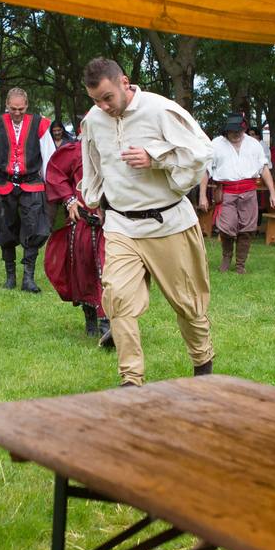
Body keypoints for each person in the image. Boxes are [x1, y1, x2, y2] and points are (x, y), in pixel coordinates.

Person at [78, 58, 215, 387]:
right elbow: (93, 162)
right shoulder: (94, 120)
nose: (103, 106)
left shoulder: (159, 110)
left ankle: (203, 364)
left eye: (108, 97)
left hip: (168, 222)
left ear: (124, 83)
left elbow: (201, 152)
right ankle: (130, 382)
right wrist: (93, 200)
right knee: (118, 300)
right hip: (121, 225)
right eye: (95, 100)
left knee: (189, 305)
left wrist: (156, 159)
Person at [0, 88, 56, 292]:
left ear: (27, 106)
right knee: (5, 227)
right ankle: (10, 276)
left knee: (34, 227)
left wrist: (52, 186)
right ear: (7, 106)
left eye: (21, 109)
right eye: (13, 109)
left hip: (32, 183)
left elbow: (49, 156)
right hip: (3, 183)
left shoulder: (39, 124)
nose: (17, 113)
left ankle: (28, 278)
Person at [43, 138, 113, 347]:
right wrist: (69, 199)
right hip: (83, 221)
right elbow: (55, 173)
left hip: (115, 221)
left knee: (109, 269)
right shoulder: (75, 151)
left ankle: (107, 323)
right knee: (83, 270)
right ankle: (90, 317)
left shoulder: (120, 147)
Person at [201, 114, 275, 273]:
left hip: (249, 192)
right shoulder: (215, 144)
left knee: (247, 229)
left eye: (239, 131)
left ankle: (240, 265)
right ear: (226, 131)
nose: (236, 134)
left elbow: (264, 168)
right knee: (227, 227)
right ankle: (226, 256)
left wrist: (273, 193)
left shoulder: (254, 145)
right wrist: (203, 195)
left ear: (243, 129)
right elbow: (206, 170)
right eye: (232, 132)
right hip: (226, 192)